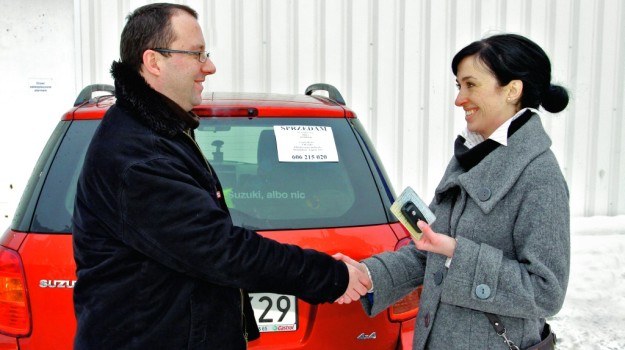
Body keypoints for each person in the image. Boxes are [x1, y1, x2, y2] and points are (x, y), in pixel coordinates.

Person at [71, 3, 369, 349]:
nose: (209, 67)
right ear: (153, 62)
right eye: (197, 54)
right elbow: (221, 250)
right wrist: (330, 276)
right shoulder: (137, 157)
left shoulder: (159, 131)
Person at [335, 33, 570, 349]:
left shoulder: (540, 176)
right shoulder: (471, 156)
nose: (460, 99)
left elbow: (546, 292)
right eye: (459, 86)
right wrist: (367, 274)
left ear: (512, 90)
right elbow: (429, 251)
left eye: (471, 85)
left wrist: (457, 254)